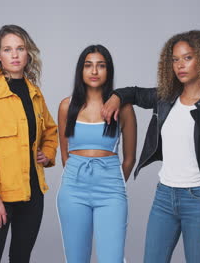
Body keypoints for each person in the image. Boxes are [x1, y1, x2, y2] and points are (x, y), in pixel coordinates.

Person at [102, 30, 200, 263]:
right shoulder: (165, 98)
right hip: (164, 197)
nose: (180, 65)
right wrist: (116, 96)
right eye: (175, 59)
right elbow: (133, 93)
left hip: (199, 201)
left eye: (187, 58)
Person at [0, 24, 58, 263]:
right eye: (8, 49)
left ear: (28, 53)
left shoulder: (35, 94)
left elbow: (50, 130)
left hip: (32, 194)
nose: (15, 55)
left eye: (20, 48)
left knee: (21, 257)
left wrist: (47, 153)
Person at [57, 45, 137, 263]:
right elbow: (64, 153)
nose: (94, 71)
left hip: (110, 189)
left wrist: (113, 180)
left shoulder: (125, 108)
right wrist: (77, 175)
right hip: (73, 189)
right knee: (76, 260)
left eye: (101, 66)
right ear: (80, 71)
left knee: (112, 259)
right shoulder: (67, 106)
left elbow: (130, 158)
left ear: (108, 71)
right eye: (88, 66)